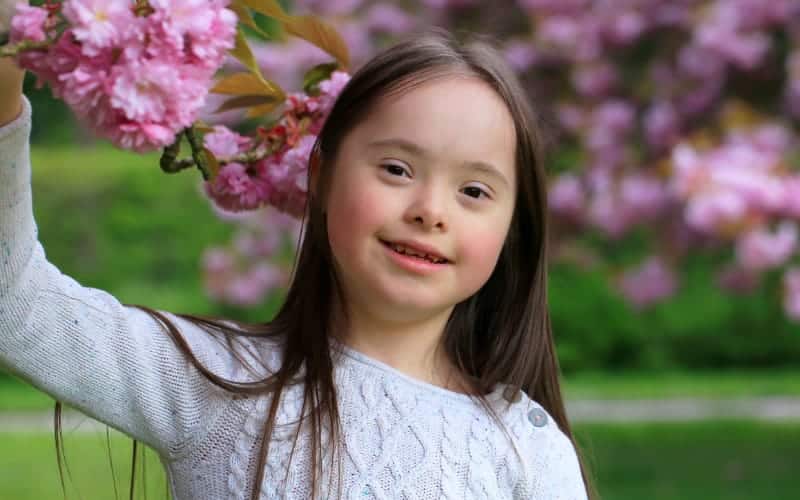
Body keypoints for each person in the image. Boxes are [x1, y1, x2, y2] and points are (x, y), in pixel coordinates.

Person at [0, 3, 595, 498]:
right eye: (396, 168)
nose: (431, 210)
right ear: (321, 177)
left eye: (474, 190)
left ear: (513, 228)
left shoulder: (527, 452)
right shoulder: (213, 381)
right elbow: (16, 303)